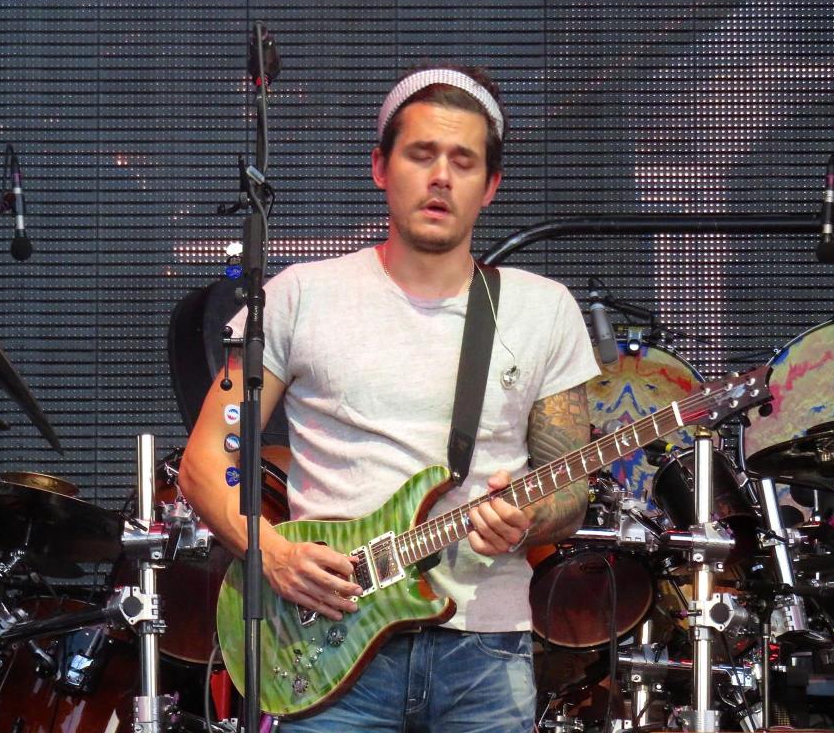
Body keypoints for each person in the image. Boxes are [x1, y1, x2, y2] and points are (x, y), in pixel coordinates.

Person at [178, 64, 601, 732]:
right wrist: (272, 553)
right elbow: (205, 462)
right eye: (421, 154)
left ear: (490, 185)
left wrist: (529, 519)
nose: (441, 177)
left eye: (463, 161)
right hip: (326, 646)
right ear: (380, 167)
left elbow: (570, 489)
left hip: (485, 654)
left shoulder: (543, 310)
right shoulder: (298, 296)